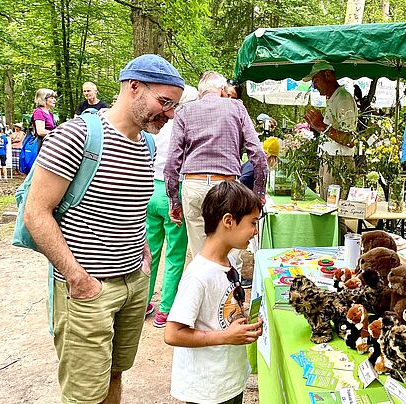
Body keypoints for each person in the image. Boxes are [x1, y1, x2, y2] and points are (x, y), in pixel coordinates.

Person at [23, 53, 185, 404]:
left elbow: (131, 207)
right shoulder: (76, 136)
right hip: (86, 289)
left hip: (133, 284)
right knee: (85, 394)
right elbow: (35, 214)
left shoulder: (149, 145)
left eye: (174, 106)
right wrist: (76, 277)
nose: (170, 114)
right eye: (165, 102)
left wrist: (142, 255)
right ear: (134, 87)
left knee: (114, 373)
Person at [164, 180, 264, 404]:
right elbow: (172, 333)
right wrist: (225, 337)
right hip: (207, 390)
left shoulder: (227, 262)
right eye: (252, 223)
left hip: (228, 381)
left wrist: (242, 323)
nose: (255, 231)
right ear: (228, 221)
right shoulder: (198, 275)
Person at [164, 71, 267, 258]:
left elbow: (172, 161)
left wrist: (174, 201)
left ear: (199, 93)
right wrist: (259, 194)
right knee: (230, 254)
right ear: (222, 91)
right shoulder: (236, 107)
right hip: (228, 187)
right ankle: (229, 286)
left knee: (200, 256)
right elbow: (258, 154)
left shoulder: (184, 111)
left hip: (194, 185)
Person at [146, 85, 197, 328]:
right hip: (172, 192)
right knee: (175, 253)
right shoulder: (187, 130)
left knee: (150, 251)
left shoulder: (160, 129)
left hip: (151, 191)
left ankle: (143, 301)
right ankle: (165, 309)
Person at [303, 61, 358, 200]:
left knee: (334, 210)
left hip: (338, 162)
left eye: (316, 81)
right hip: (331, 160)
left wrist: (321, 126)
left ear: (328, 75)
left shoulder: (343, 98)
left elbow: (350, 140)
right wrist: (315, 126)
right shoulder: (334, 98)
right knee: (328, 208)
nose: (314, 86)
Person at [31, 88, 57, 152]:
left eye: (54, 98)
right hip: (41, 145)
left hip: (49, 143)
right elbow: (40, 131)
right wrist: (57, 133)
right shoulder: (39, 112)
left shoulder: (50, 113)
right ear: (43, 99)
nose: (54, 100)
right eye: (51, 98)